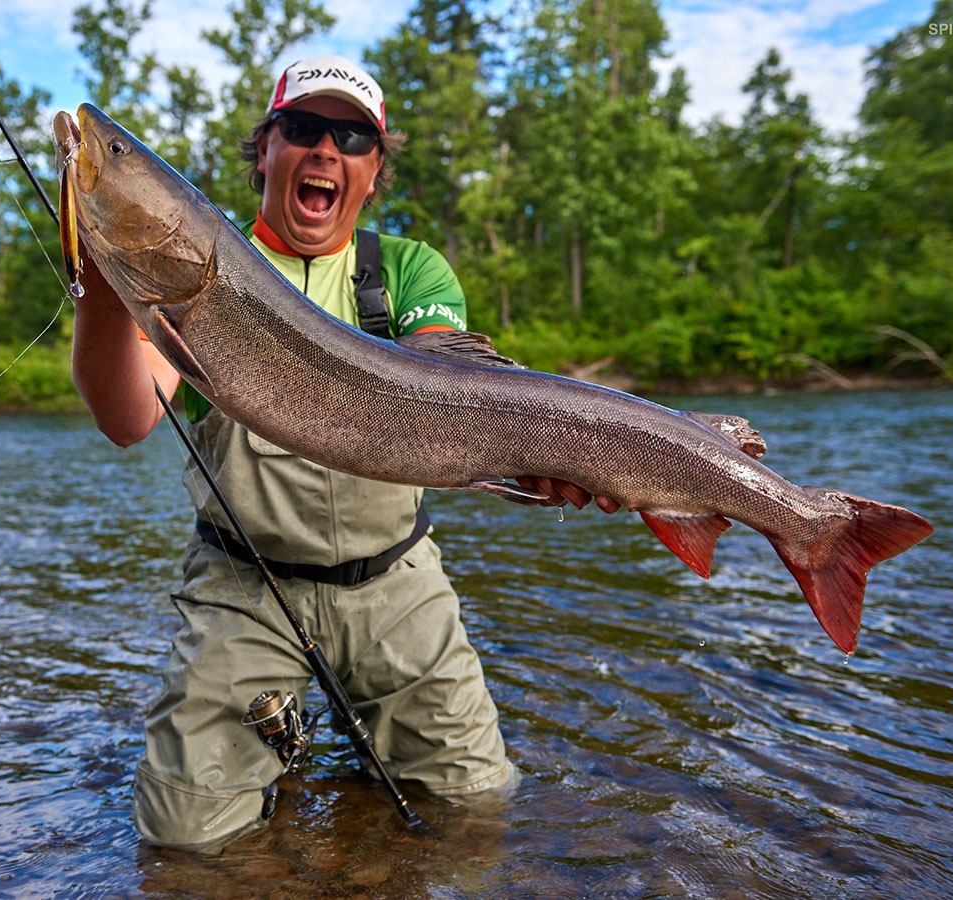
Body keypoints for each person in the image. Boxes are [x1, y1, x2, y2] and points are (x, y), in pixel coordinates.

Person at [71, 54, 617, 851]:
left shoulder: (406, 269)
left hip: (396, 578)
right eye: (304, 128)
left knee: (479, 813)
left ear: (372, 173)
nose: (328, 149)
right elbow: (126, 419)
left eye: (354, 137)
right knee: (185, 842)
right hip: (244, 583)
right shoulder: (190, 271)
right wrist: (103, 280)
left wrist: (542, 457)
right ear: (266, 149)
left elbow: (453, 398)